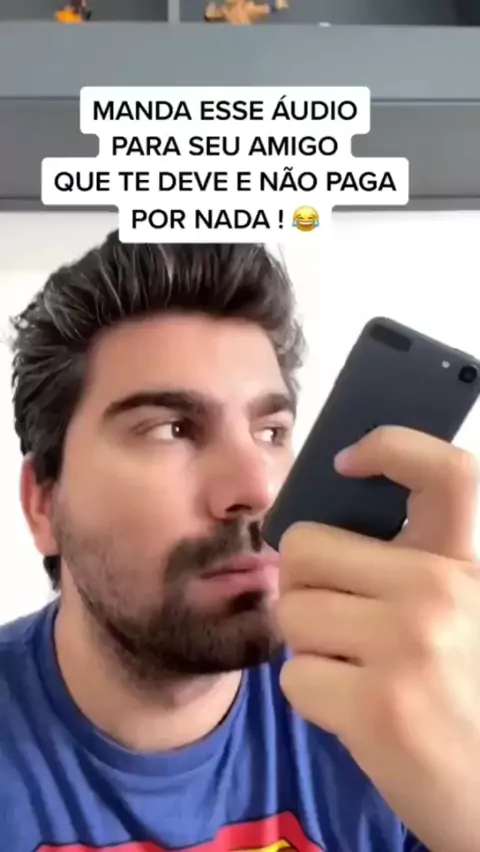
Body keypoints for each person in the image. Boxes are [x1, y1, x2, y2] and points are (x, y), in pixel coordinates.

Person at [0, 235, 479, 852]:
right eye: (172, 429)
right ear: (43, 503)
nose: (257, 491)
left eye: (271, 432)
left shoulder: (396, 712)